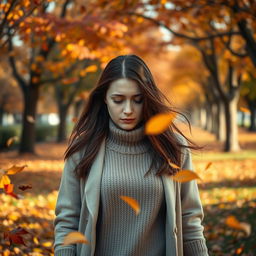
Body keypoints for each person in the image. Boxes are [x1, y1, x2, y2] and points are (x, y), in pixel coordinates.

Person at [53, 54, 209, 256]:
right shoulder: (83, 149)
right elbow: (67, 220)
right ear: (104, 99)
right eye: (118, 100)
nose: (128, 110)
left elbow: (190, 219)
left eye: (138, 100)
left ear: (149, 99)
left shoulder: (174, 148)